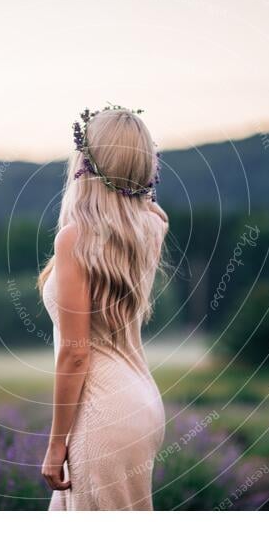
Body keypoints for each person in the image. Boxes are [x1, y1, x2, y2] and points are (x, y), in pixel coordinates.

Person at [37, 106, 169, 510]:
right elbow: (143, 205)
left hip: (103, 412)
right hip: (139, 402)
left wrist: (55, 445)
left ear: (85, 164)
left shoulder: (75, 239)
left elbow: (76, 353)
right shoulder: (152, 226)